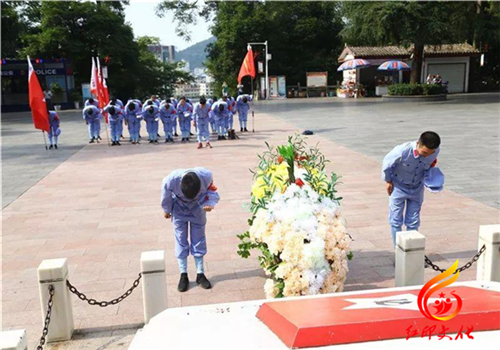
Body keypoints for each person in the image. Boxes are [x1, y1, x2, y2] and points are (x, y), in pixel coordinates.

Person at [161, 168, 220, 292]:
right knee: (181, 239)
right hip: (179, 208)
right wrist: (167, 210)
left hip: (198, 207)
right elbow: (166, 196)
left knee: (199, 238)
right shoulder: (170, 180)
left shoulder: (207, 175)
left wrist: (210, 203)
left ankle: (200, 273)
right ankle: (183, 274)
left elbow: (212, 190)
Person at [382, 131, 442, 247]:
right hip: (398, 187)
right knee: (395, 220)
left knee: (413, 221)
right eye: (424, 152)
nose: (426, 155)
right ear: (418, 143)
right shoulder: (402, 151)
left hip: (417, 188)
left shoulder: (435, 151)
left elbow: (431, 163)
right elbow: (387, 164)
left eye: (430, 153)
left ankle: (411, 251)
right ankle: (398, 251)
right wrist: (388, 181)